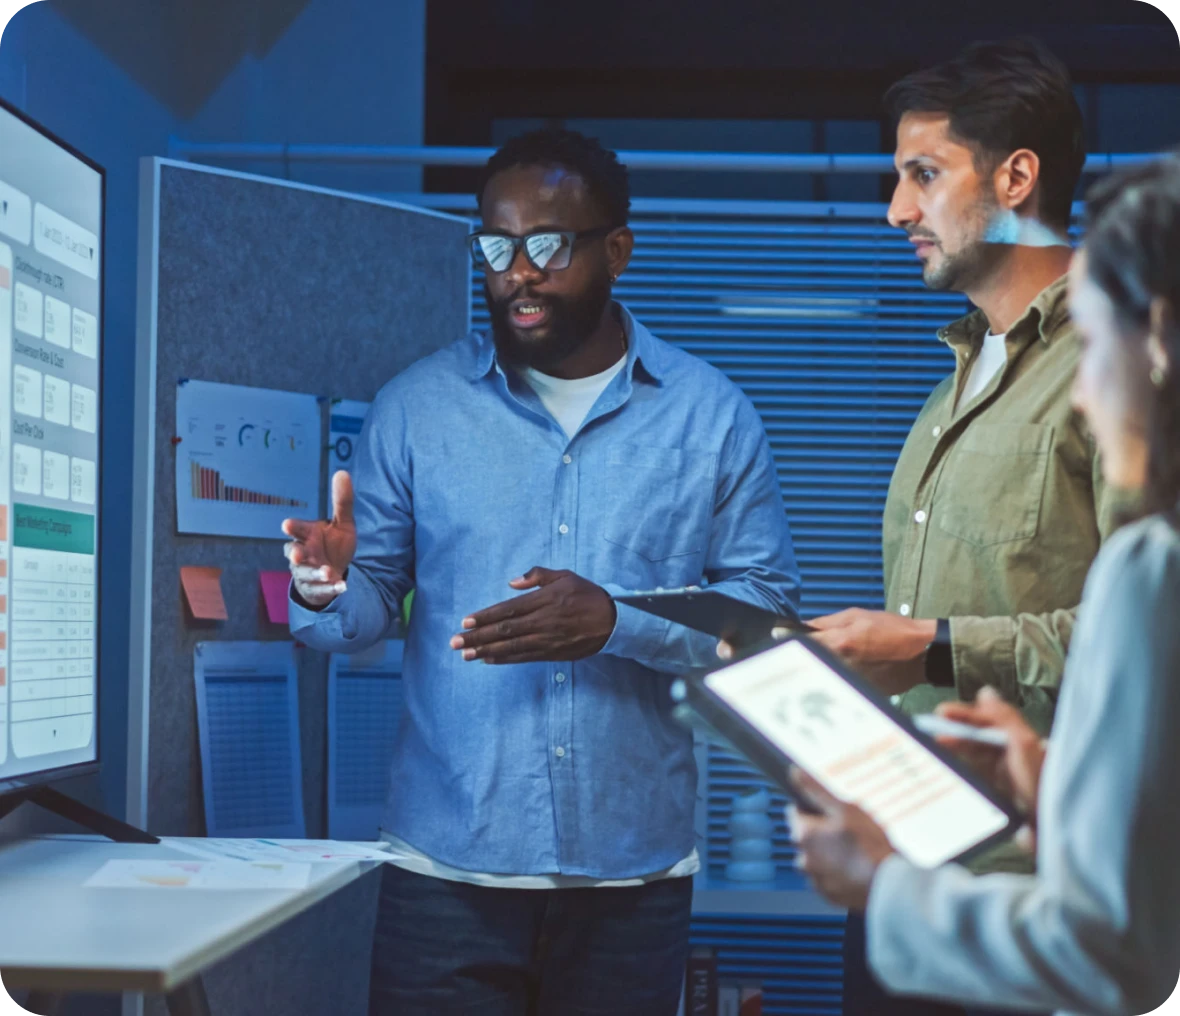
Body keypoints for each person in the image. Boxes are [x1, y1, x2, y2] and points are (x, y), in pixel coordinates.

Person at [282, 128, 801, 1016]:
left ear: (618, 249)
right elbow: (363, 608)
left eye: (547, 245)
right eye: (495, 244)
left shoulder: (711, 419)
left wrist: (616, 622)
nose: (515, 270)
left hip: (630, 882)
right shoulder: (417, 409)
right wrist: (324, 584)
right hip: (446, 874)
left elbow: (766, 620)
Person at [739, 39, 1121, 1016]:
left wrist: (930, 645)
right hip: (906, 867)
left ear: (1015, 177)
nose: (894, 210)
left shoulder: (1120, 370)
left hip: (1033, 896)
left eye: (922, 174)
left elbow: (1149, 639)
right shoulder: (956, 379)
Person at [790, 153, 1180, 1016]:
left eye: (1098, 342)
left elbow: (1110, 953)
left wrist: (881, 884)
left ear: (1154, 342)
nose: (1082, 386)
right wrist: (1050, 781)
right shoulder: (947, 395)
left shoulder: (1154, 566)